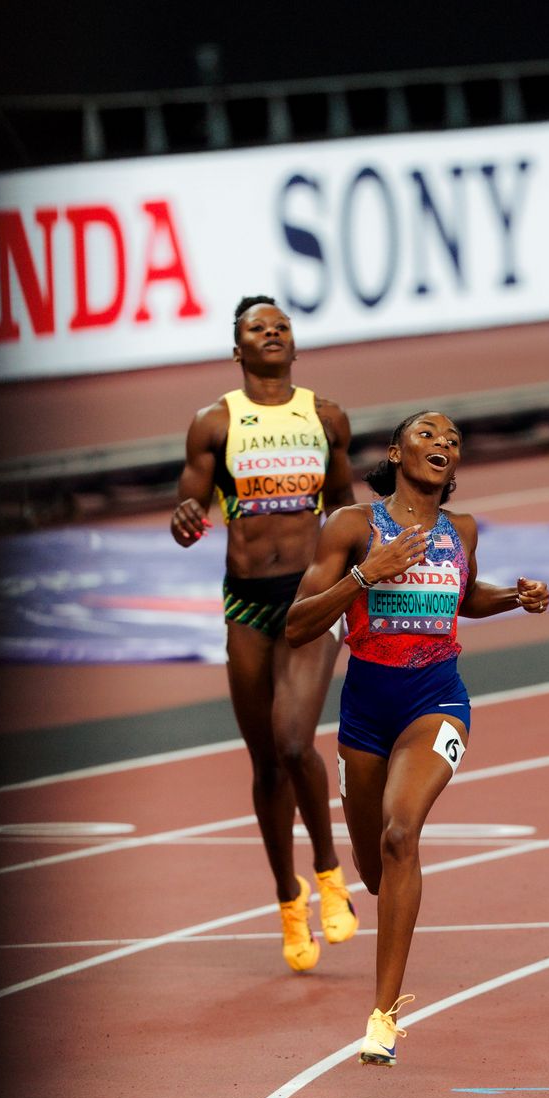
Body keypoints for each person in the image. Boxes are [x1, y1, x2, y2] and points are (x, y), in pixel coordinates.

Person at [284, 412, 549, 1063]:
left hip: (436, 701)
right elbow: (295, 625)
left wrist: (512, 598)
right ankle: (370, 887)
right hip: (365, 716)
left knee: (402, 833)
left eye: (454, 441)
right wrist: (364, 576)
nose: (444, 445)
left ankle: (383, 1017)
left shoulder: (461, 530)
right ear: (398, 450)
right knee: (375, 869)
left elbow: (461, 599)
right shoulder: (351, 526)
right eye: (429, 435)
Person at [170, 295, 359, 973]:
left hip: (309, 599)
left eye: (281, 325)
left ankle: (332, 873)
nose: (272, 332)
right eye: (258, 327)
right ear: (238, 349)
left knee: (293, 739)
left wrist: (360, 576)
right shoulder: (214, 423)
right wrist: (185, 520)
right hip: (247, 603)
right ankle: (288, 897)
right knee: (265, 765)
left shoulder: (326, 417)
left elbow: (343, 506)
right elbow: (189, 501)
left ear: (294, 345)